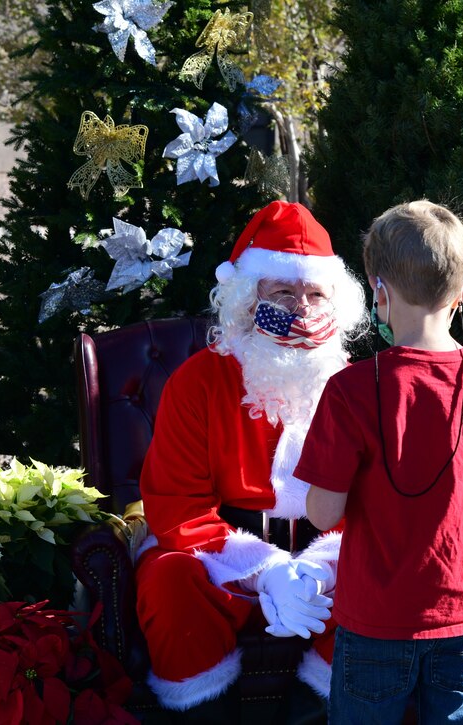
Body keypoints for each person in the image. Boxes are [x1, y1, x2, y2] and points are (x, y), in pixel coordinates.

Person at [296, 200, 463, 725]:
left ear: (378, 291)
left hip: (374, 623)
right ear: (462, 294)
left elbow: (321, 513)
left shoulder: (349, 390)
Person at [134, 200, 368, 711]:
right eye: (282, 292)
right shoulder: (197, 381)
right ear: (247, 297)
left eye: (314, 294)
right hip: (220, 556)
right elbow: (178, 508)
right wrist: (267, 571)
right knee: (168, 581)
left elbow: (374, 504)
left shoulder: (357, 385)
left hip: (325, 559)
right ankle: (200, 713)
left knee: (380, 571)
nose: (301, 310)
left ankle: (319, 711)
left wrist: (319, 569)